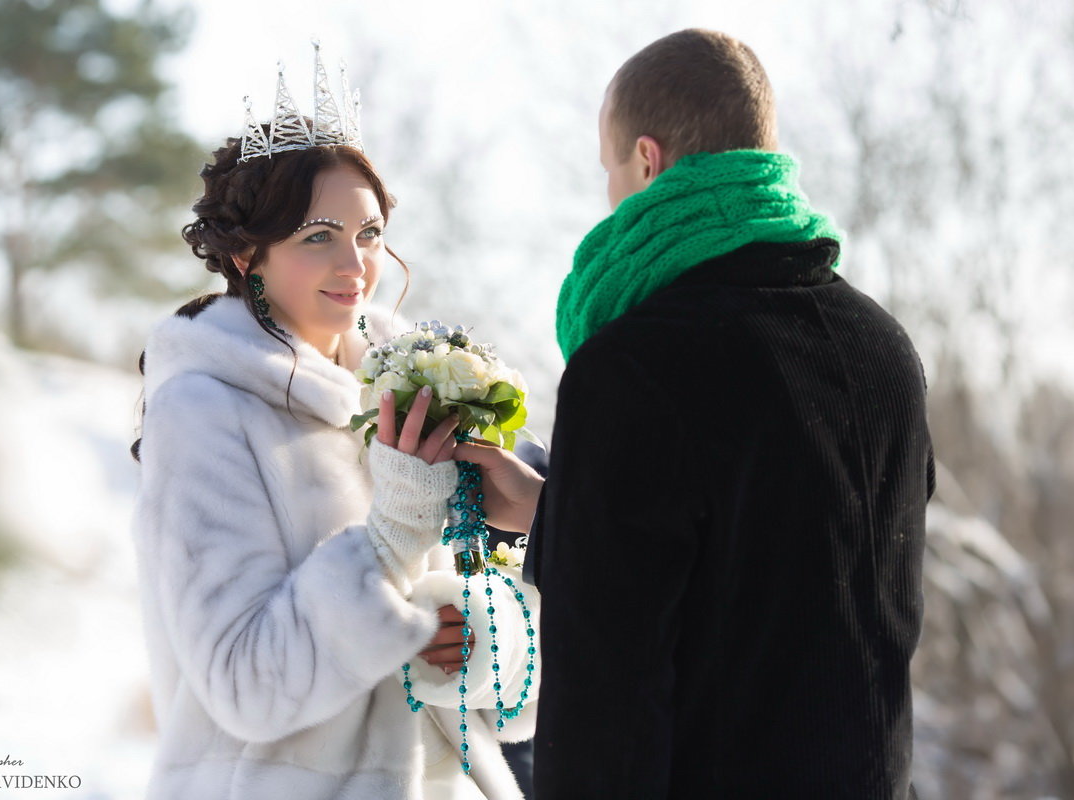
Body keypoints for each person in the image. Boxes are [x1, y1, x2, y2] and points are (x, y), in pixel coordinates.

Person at [456, 29, 934, 798]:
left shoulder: (632, 365)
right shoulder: (882, 348)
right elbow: (788, 571)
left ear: (647, 161)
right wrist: (560, 516)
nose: (609, 196)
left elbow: (606, 698)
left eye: (609, 169)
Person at [129, 56, 537, 800]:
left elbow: (511, 695)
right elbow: (247, 683)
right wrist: (394, 533)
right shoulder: (204, 411)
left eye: (370, 233)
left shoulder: (410, 390)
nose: (356, 264)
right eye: (320, 235)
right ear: (248, 253)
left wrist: (471, 632)